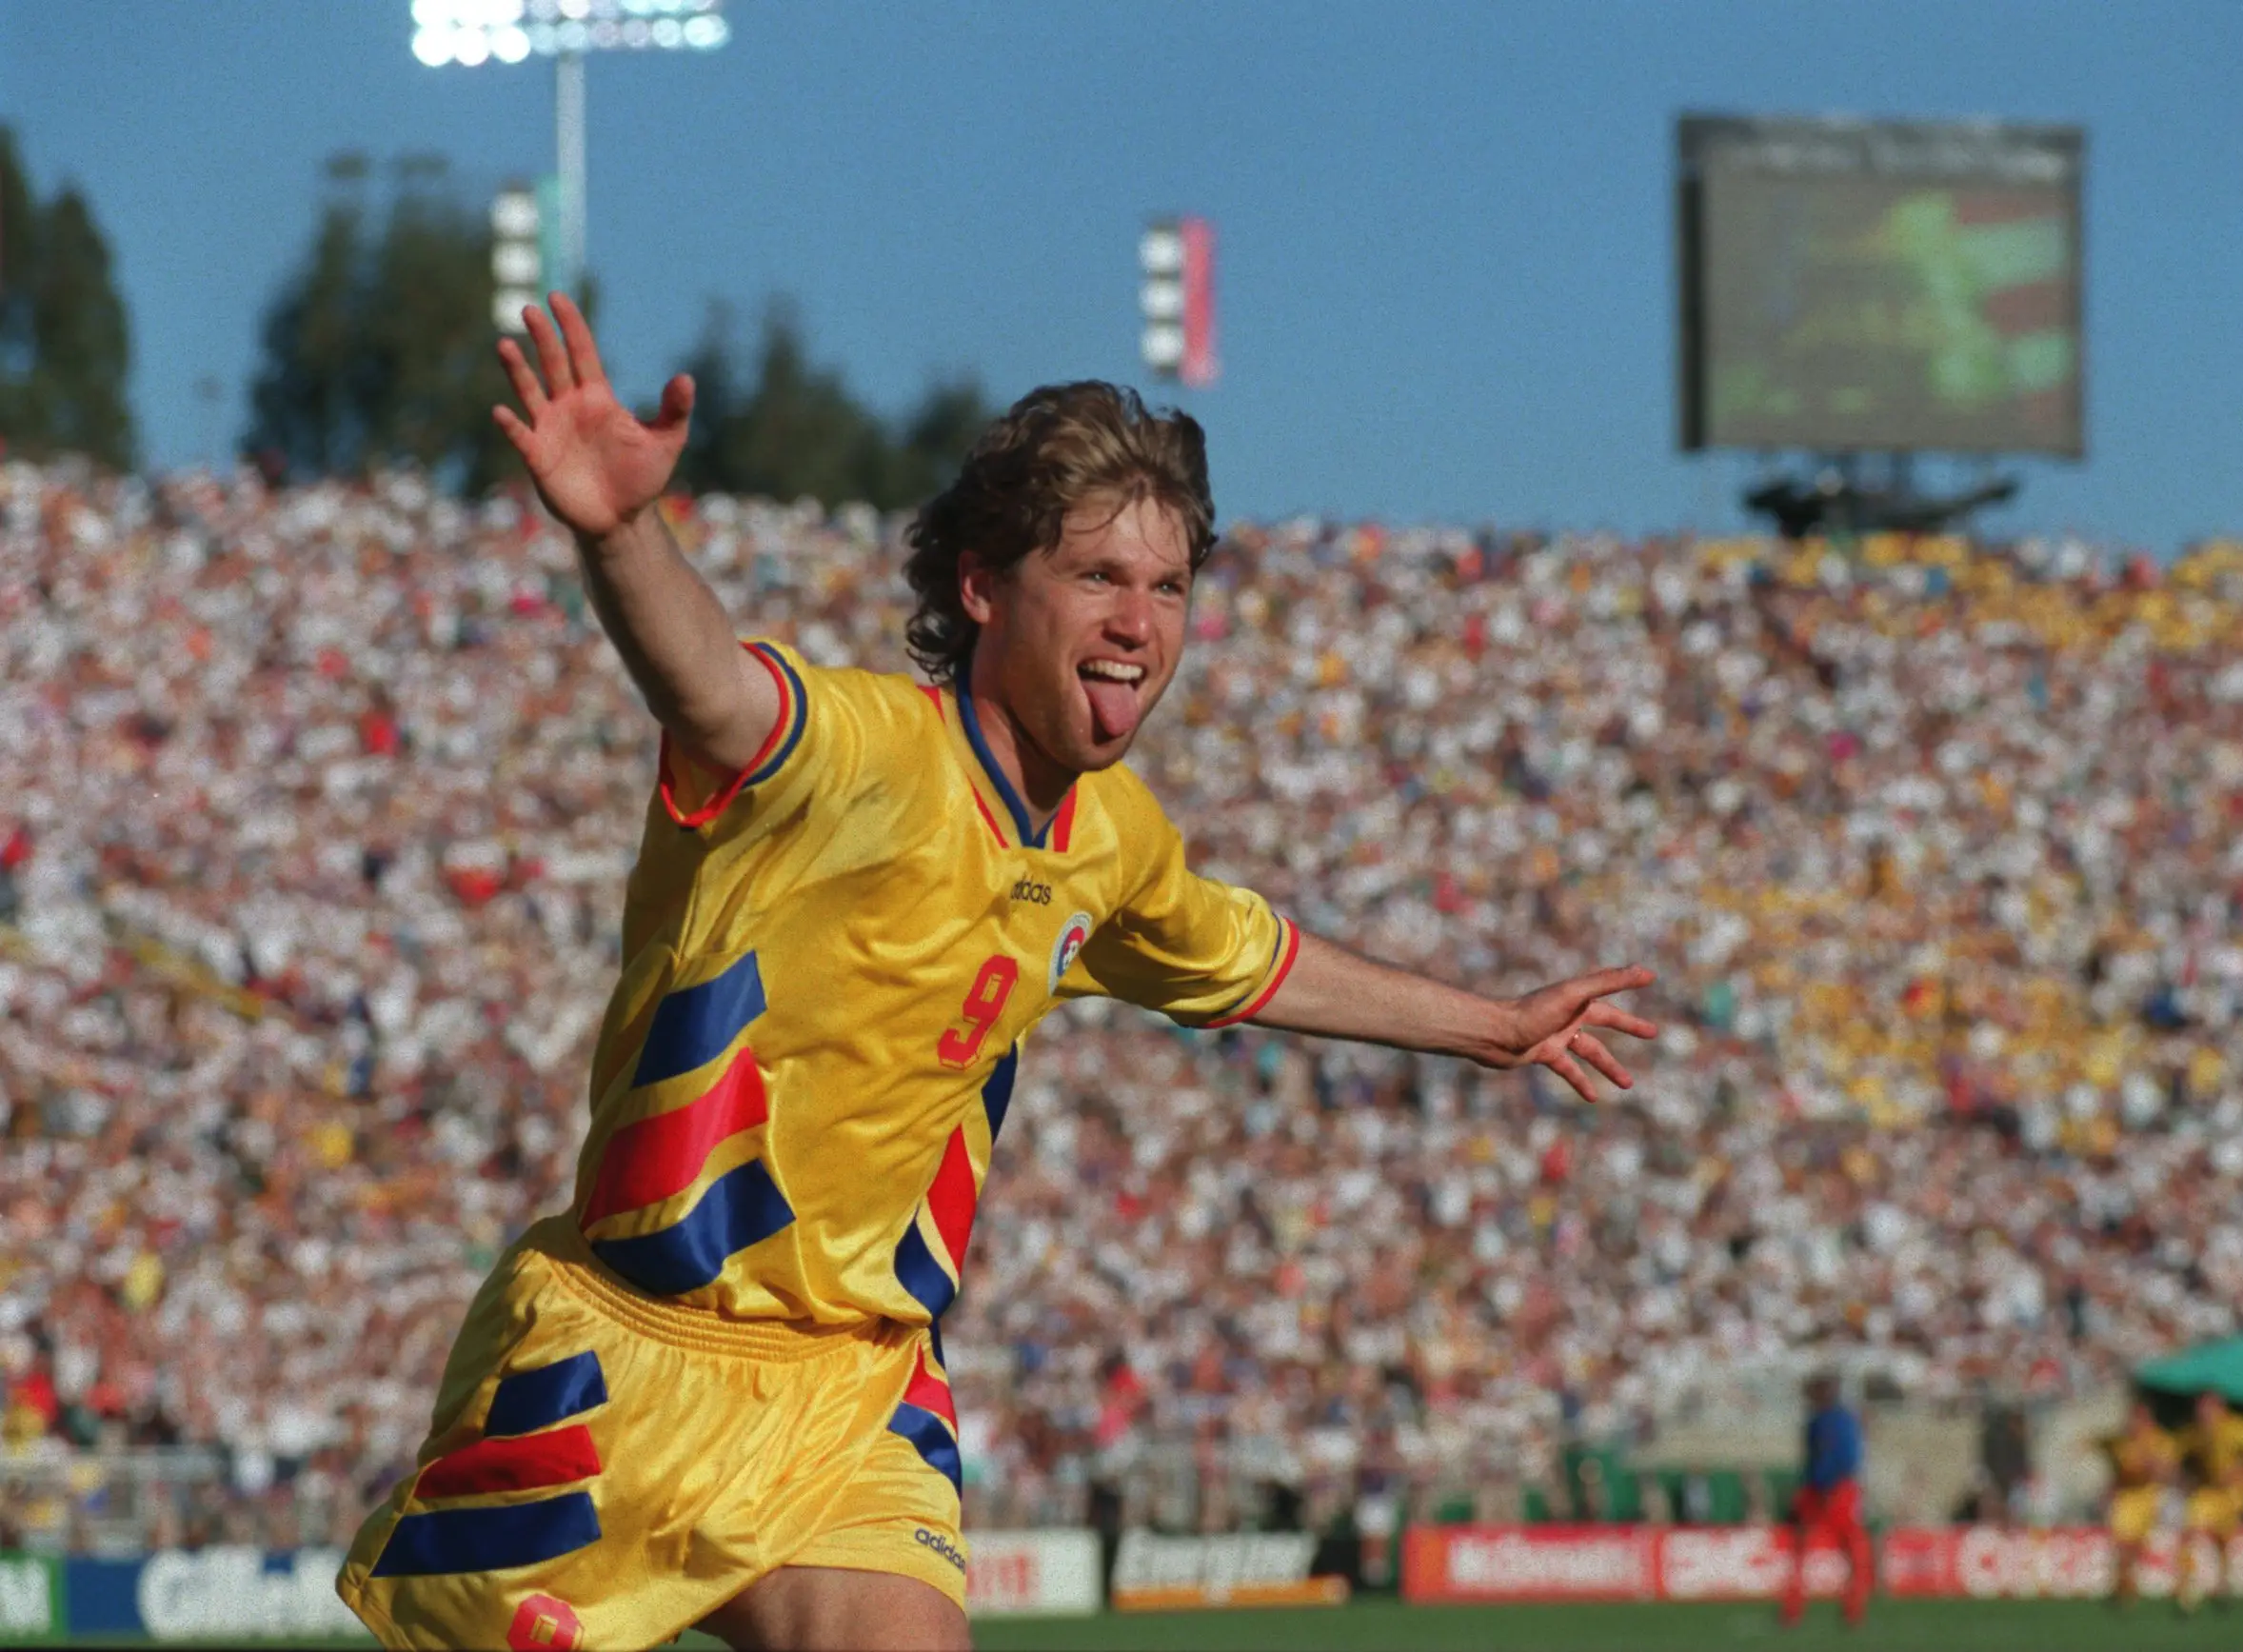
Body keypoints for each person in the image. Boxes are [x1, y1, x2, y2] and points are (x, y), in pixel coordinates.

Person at [333, 295, 1657, 1652]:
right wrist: (619, 531)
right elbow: (715, 694)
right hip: (622, 1366)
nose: (1141, 621)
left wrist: (1494, 1026)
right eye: (1097, 578)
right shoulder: (862, 754)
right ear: (981, 587)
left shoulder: (1115, 840)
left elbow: (1254, 962)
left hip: (855, 1385)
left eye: (1169, 585)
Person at [1781, 1373, 1871, 1629]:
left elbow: (1838, 1459)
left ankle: (1799, 1611)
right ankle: (1850, 1612)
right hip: (1829, 1489)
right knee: (1850, 1550)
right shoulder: (1829, 1420)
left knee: (1824, 1549)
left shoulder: (1833, 1420)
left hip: (1832, 1490)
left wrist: (1821, 1489)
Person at [2174, 1388, 2243, 1613]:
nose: (2203, 1413)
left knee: (2222, 1542)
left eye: (2208, 1407)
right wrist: (2185, 1477)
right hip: (2206, 1492)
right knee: (2190, 1534)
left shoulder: (2237, 1427)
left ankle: (2224, 1583)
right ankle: (2188, 1590)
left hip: (2232, 1495)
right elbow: (2177, 1453)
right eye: (2200, 1408)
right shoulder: (2196, 1432)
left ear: (2220, 1407)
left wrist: (2240, 1472)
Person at [2097, 1396, 2177, 1605]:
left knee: (2135, 1546)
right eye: (2134, 1418)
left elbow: (2167, 1471)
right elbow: (2120, 1472)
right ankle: (2125, 1587)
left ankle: (2127, 1585)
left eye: (2141, 1418)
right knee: (2121, 1545)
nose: (2136, 1423)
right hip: (2126, 1499)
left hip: (2148, 1499)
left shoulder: (2160, 1441)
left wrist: (2151, 1467)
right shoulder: (2124, 1443)